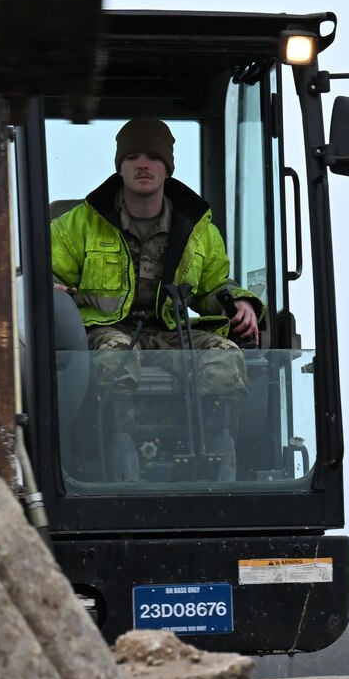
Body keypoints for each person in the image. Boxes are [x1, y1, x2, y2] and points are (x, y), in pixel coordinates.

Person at [50, 118, 260, 480]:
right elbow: (44, 275)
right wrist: (48, 288)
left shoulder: (198, 229)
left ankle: (217, 454)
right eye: (132, 156)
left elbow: (214, 286)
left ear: (167, 166)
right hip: (105, 330)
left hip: (168, 331)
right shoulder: (78, 225)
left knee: (224, 359)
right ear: (120, 165)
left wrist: (240, 303)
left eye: (153, 156)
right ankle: (118, 453)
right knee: (115, 359)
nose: (142, 164)